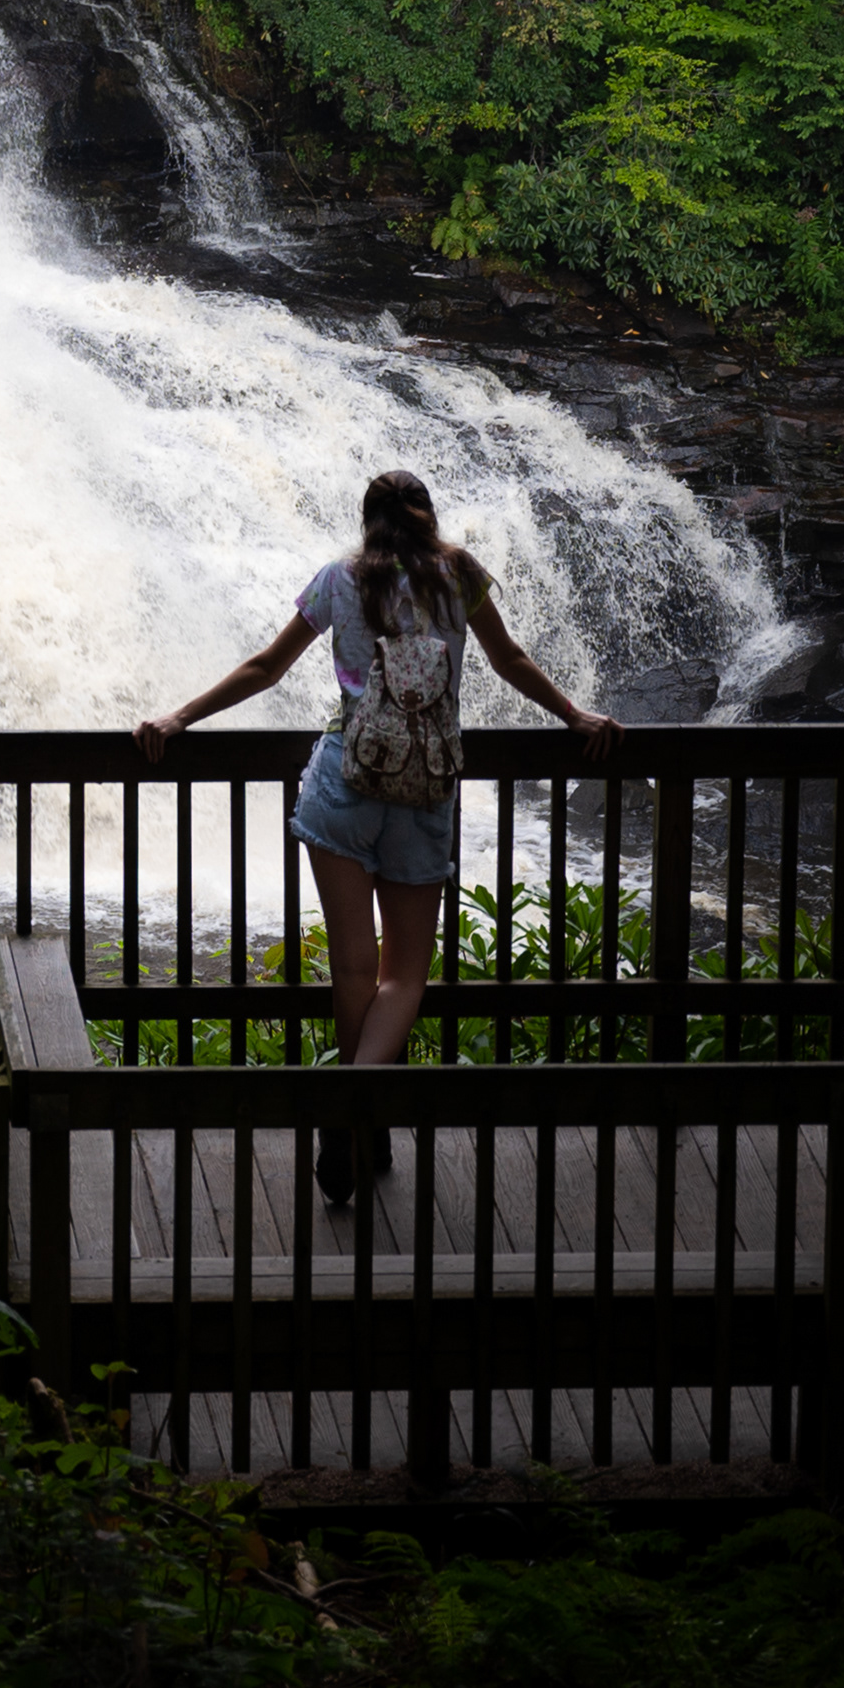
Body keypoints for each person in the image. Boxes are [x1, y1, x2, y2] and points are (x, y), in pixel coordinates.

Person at [131, 470, 620, 1201]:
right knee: (405, 977)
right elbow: (509, 659)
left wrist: (177, 719)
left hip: (345, 786)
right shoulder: (462, 577)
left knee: (356, 970)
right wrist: (576, 716)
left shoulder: (338, 580)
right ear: (428, 519)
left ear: (368, 524)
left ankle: (351, 1113)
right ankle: (357, 1103)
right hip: (424, 793)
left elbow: (266, 667)